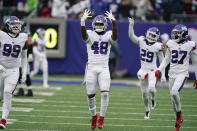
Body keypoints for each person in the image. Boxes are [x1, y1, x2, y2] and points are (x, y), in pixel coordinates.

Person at [155, 24, 197, 131]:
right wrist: (159, 69)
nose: (175, 35)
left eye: (177, 33)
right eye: (174, 33)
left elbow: (196, 62)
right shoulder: (170, 43)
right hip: (171, 74)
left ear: (184, 34)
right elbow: (166, 59)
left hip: (182, 74)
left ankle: (179, 116)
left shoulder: (190, 45)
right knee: (173, 99)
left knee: (174, 92)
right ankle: (177, 121)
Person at [80, 10, 117, 129]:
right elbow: (84, 36)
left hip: (104, 68)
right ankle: (94, 116)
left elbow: (115, 37)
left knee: (105, 93)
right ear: (93, 25)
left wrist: (114, 22)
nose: (99, 26)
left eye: (101, 24)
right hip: (91, 68)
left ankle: (101, 118)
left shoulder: (109, 34)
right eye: (97, 24)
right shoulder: (90, 33)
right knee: (90, 95)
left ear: (105, 25)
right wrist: (82, 22)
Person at [128, 17, 166, 119]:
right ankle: (147, 110)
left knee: (152, 89)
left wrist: (163, 74)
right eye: (150, 34)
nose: (151, 36)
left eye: (154, 35)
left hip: (153, 71)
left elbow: (163, 61)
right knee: (144, 93)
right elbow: (131, 36)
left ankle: (153, 99)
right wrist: (131, 25)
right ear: (147, 33)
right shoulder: (141, 41)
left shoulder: (158, 46)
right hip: (143, 70)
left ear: (157, 37)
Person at [0, 16, 28, 129]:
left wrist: (24, 72)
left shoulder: (23, 37)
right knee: (0, 95)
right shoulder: (1, 35)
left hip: (14, 70)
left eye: (17, 24)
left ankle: (3, 120)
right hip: (1, 68)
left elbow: (24, 56)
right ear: (7, 25)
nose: (16, 26)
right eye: (13, 24)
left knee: (7, 93)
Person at [15, 20, 34, 96]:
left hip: (23, 55)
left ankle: (24, 90)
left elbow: (30, 44)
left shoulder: (26, 32)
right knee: (23, 73)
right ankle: (27, 90)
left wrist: (30, 54)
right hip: (20, 55)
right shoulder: (20, 32)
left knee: (22, 73)